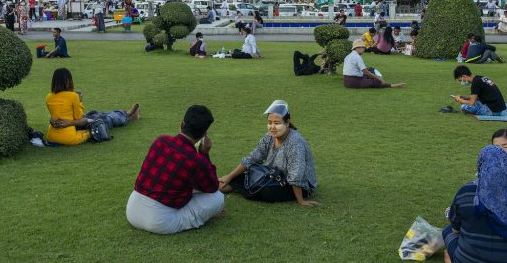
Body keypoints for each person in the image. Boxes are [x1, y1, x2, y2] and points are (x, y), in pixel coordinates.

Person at [126, 105, 224, 234]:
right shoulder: (196, 160)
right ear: (203, 135)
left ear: (182, 124)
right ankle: (207, 214)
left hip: (132, 210)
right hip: (160, 222)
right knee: (218, 198)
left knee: (188, 184)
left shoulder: (161, 141)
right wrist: (205, 154)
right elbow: (212, 187)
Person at [218, 100, 318, 205]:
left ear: (287, 123)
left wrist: (301, 201)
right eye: (270, 122)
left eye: (277, 123)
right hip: (274, 177)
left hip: (299, 186)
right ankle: (208, 190)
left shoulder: (295, 143)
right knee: (238, 178)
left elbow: (295, 176)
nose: (272, 127)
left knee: (265, 190)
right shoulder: (269, 137)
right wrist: (230, 176)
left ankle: (240, 188)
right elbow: (252, 158)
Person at [45, 67, 139, 146]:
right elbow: (79, 117)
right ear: (69, 81)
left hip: (51, 136)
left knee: (93, 113)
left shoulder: (49, 96)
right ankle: (127, 115)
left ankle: (124, 113)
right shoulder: (73, 96)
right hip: (70, 137)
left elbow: (57, 115)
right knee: (103, 120)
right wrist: (80, 100)